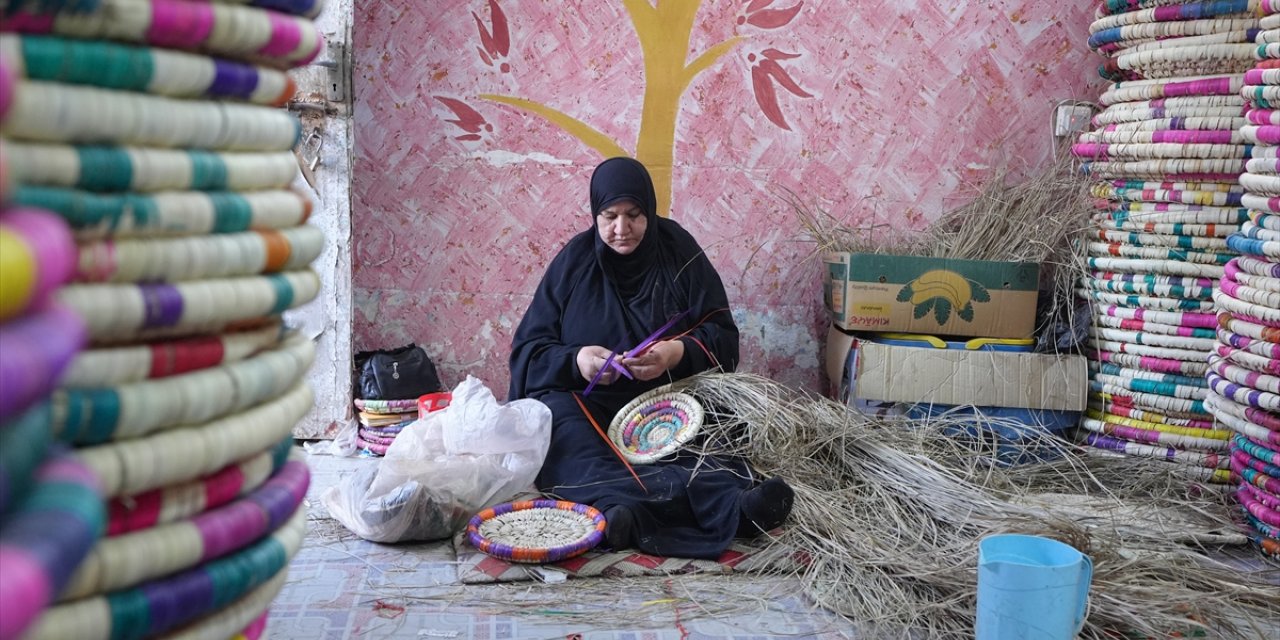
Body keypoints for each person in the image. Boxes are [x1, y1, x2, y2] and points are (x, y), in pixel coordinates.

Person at [508, 157, 793, 559]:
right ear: (595, 213)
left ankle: (735, 508)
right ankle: (622, 511)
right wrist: (580, 361)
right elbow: (529, 352)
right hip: (587, 406)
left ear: (650, 211)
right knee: (561, 430)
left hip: (669, 400)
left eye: (634, 215)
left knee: (712, 434)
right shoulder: (574, 263)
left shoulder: (679, 253)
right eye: (609, 216)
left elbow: (723, 338)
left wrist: (674, 353)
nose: (621, 230)